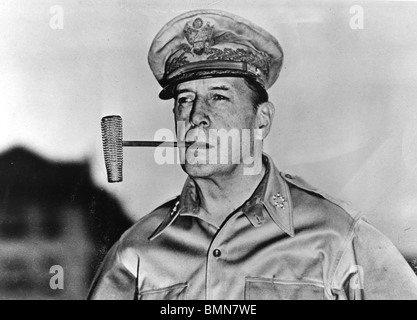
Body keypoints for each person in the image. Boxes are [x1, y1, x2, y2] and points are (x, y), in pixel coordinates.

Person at [88, 9, 417, 300]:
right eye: (185, 99)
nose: (196, 115)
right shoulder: (135, 253)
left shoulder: (340, 240)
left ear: (262, 120)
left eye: (219, 97)